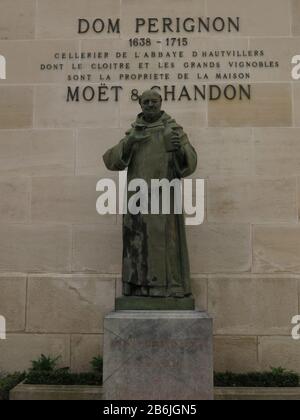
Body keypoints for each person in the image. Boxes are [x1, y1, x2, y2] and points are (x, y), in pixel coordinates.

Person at [103, 89, 197, 298]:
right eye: (146, 102)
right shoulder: (135, 131)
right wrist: (131, 142)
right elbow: (112, 160)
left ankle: (171, 288)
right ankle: (139, 288)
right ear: (140, 105)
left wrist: (178, 150)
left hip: (165, 198)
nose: (150, 105)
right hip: (139, 200)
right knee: (139, 245)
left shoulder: (172, 129)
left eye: (154, 101)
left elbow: (190, 161)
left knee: (167, 243)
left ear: (161, 102)